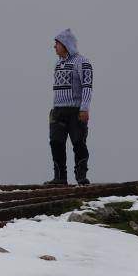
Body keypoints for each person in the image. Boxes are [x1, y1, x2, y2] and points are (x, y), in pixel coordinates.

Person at [46, 28, 93, 186]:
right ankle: (60, 177)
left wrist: (84, 108)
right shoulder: (57, 64)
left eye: (57, 43)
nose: (54, 46)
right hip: (58, 110)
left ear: (66, 44)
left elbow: (87, 86)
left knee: (79, 143)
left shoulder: (83, 62)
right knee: (56, 143)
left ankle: (81, 176)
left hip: (76, 111)